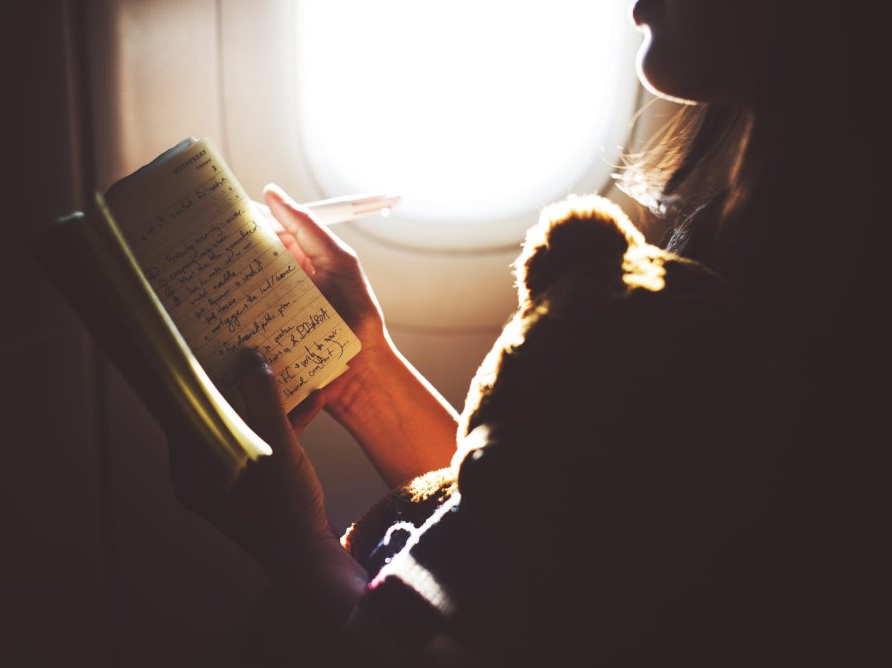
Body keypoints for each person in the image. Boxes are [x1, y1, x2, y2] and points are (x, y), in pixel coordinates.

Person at [170, 1, 888, 664]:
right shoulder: (735, 229)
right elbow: (543, 518)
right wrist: (363, 372)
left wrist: (292, 542)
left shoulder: (827, 312)